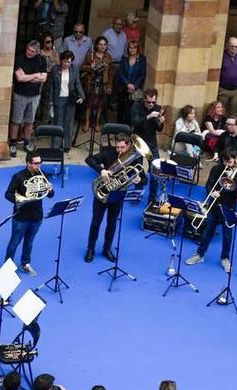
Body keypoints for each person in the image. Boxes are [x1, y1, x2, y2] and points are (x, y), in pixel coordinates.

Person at [84, 133, 147, 263]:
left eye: (122, 147)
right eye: (117, 147)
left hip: (118, 195)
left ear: (129, 145)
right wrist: (101, 170)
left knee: (112, 224)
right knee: (96, 223)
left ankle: (107, 249)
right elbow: (89, 159)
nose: (119, 150)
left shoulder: (136, 158)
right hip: (102, 194)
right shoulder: (108, 153)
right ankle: (90, 249)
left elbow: (144, 179)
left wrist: (138, 179)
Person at [185, 150, 237, 273]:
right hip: (215, 205)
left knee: (227, 235)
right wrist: (212, 192)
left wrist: (230, 181)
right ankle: (200, 254)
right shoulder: (216, 169)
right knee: (208, 231)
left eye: (230, 161)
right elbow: (208, 185)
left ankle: (225, 258)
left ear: (235, 160)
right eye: (225, 161)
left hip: (228, 207)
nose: (227, 164)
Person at [5, 151, 54, 276]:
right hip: (20, 216)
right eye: (36, 163)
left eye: (40, 163)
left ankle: (25, 263)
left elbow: (51, 196)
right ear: (28, 163)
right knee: (14, 242)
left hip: (36, 215)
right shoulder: (18, 177)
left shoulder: (42, 176)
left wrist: (50, 189)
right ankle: (7, 266)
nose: (39, 166)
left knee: (29, 242)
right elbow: (8, 194)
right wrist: (20, 199)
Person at [10, 41, 48, 157]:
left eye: (32, 51)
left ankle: (27, 142)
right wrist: (36, 75)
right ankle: (13, 142)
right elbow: (19, 78)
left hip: (35, 95)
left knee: (30, 120)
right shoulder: (20, 58)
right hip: (20, 94)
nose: (29, 52)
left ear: (37, 52)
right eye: (28, 49)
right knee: (16, 119)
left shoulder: (41, 60)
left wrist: (27, 76)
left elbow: (44, 78)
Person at [131, 88, 165, 198]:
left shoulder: (158, 109)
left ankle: (153, 196)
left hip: (151, 141)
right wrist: (148, 117)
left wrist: (161, 123)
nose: (151, 104)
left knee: (155, 169)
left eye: (153, 102)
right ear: (144, 100)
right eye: (148, 102)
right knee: (137, 168)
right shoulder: (136, 106)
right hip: (138, 140)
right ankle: (137, 193)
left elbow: (159, 129)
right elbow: (135, 123)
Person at [50, 50, 84, 151]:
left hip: (70, 99)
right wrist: (51, 102)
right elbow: (51, 86)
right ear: (61, 61)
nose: (67, 64)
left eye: (69, 62)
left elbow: (77, 83)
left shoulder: (74, 69)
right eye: (65, 62)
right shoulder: (55, 69)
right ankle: (56, 146)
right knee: (58, 122)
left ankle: (66, 145)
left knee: (68, 122)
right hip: (58, 98)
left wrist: (81, 96)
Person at [81, 37, 113, 133]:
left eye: (104, 44)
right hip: (92, 82)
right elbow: (83, 67)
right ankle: (87, 122)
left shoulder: (108, 56)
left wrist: (110, 86)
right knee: (89, 104)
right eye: (100, 44)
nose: (103, 46)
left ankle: (97, 122)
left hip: (103, 83)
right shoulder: (91, 55)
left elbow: (110, 72)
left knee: (100, 104)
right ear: (97, 45)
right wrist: (91, 67)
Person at [115, 40, 146, 126]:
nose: (131, 50)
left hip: (134, 90)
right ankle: (119, 129)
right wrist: (127, 84)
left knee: (131, 110)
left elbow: (142, 75)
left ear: (138, 49)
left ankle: (128, 129)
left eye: (134, 48)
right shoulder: (124, 58)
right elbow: (120, 72)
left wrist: (134, 86)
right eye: (130, 48)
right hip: (123, 87)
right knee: (121, 108)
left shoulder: (142, 59)